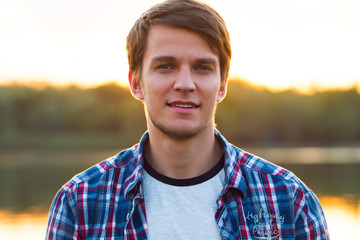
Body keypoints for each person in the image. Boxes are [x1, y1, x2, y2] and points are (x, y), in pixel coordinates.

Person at [46, 0, 329, 239]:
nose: (185, 83)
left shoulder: (288, 198)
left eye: (202, 67)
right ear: (136, 83)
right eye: (165, 66)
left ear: (222, 84)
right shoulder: (80, 202)